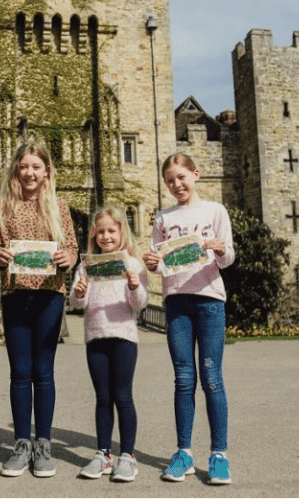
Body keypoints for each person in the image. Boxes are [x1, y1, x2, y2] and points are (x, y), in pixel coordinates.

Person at [141, 153, 235, 485]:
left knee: (212, 378)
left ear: (195, 174)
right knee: (183, 380)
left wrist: (221, 249)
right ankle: (184, 453)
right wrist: (152, 262)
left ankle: (219, 454)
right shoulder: (162, 218)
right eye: (170, 180)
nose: (177, 184)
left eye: (181, 177)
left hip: (209, 301)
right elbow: (158, 262)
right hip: (177, 303)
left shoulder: (215, 211)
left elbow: (228, 260)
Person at [0, 141, 77, 478]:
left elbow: (70, 248)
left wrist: (69, 258)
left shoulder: (59, 206)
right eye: (24, 166)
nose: (29, 172)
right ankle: (21, 443)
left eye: (35, 167)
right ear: (16, 169)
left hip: (48, 295)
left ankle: (43, 444)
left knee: (43, 371)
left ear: (46, 171)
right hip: (15, 294)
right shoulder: (1, 207)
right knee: (19, 371)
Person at [69, 205, 148, 482]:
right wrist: (79, 292)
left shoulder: (132, 264)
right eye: (100, 231)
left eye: (111, 230)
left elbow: (140, 305)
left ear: (121, 232)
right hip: (96, 338)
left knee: (123, 396)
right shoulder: (86, 265)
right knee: (103, 399)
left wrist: (135, 286)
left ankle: (128, 456)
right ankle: (103, 454)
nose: (106, 236)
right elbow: (78, 303)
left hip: (124, 337)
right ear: (94, 235)